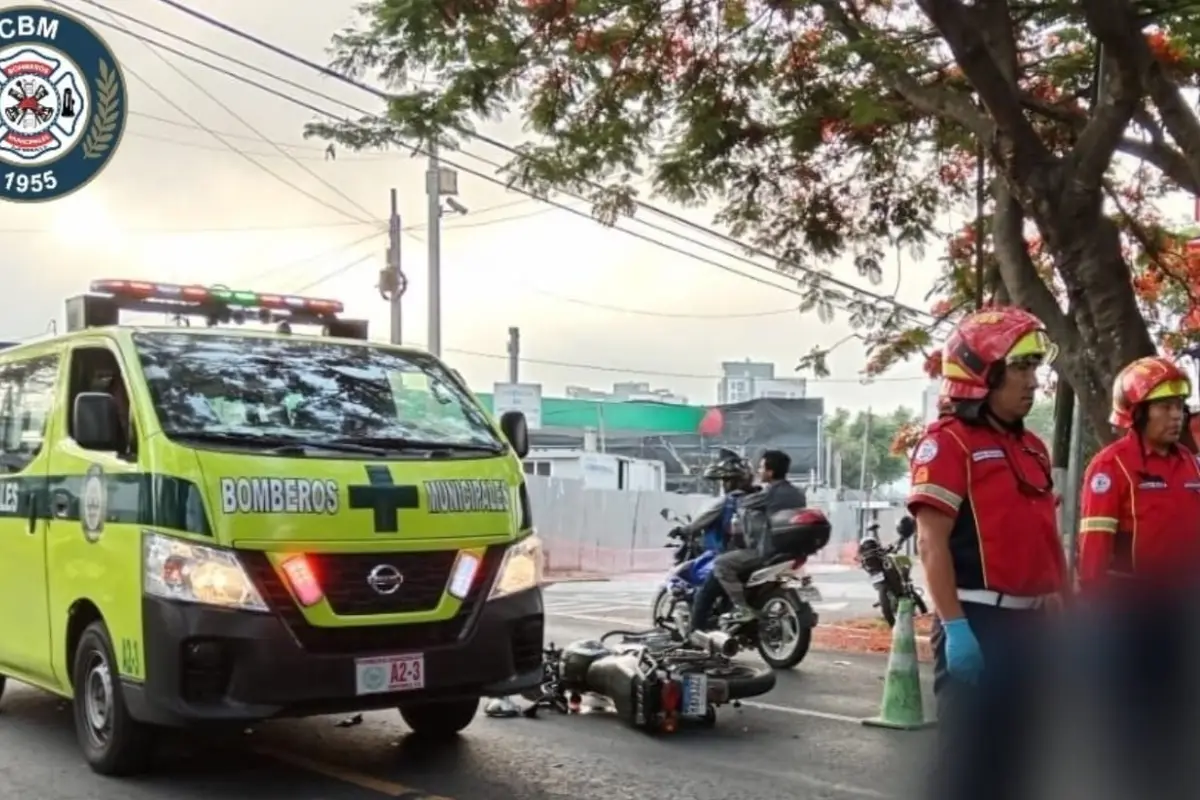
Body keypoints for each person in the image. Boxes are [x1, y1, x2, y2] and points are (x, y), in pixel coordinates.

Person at [907, 307, 1065, 800]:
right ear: (982, 374)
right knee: (967, 769)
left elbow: (1044, 535)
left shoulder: (1032, 447)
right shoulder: (947, 444)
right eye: (1020, 368)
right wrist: (955, 628)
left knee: (1020, 761)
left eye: (1035, 368)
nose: (1032, 381)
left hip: (1031, 626)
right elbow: (932, 543)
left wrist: (1059, 599)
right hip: (976, 622)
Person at [1075, 355, 1200, 795]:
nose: (1176, 414)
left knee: (1180, 720)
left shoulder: (1192, 464)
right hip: (1129, 617)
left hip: (1182, 613)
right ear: (1137, 410)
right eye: (1164, 406)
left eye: (1180, 406)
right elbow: (1093, 554)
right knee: (1131, 725)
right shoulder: (1112, 467)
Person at [709, 449, 806, 624]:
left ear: (770, 472)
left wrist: (741, 491)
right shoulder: (798, 493)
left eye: (761, 467)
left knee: (721, 564)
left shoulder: (768, 494)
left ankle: (741, 608)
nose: (758, 471)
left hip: (767, 551)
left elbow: (741, 504)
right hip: (792, 551)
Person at [679, 451, 756, 633]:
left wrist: (684, 530)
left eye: (725, 481)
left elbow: (698, 523)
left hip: (735, 556)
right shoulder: (760, 497)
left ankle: (694, 635)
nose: (723, 485)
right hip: (764, 554)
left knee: (705, 593)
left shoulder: (728, 502)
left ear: (732, 482)